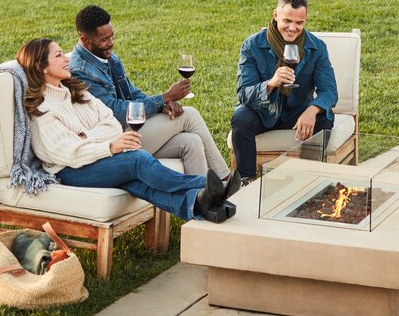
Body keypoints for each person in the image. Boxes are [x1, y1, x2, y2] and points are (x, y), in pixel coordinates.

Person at [17, 38, 239, 222]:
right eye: (58, 56)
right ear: (40, 67)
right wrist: (109, 146)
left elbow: (111, 123)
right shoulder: (41, 109)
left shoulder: (76, 91)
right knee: (137, 160)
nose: (67, 59)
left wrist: (85, 138)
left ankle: (201, 204)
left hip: (96, 158)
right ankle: (208, 186)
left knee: (138, 183)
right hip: (72, 171)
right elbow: (65, 153)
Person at [69, 5, 233, 180]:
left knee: (191, 142)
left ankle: (202, 201)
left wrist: (161, 105)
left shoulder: (107, 57)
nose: (111, 43)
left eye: (112, 36)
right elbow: (115, 112)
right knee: (189, 115)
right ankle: (225, 181)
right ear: (85, 40)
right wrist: (165, 97)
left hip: (132, 129)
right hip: (115, 140)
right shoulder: (81, 71)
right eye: (104, 39)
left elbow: (133, 93)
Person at [231, 0, 338, 181]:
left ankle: (308, 179)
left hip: (296, 112)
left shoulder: (317, 47)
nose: (292, 28)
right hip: (262, 112)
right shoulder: (252, 45)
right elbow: (244, 94)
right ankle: (246, 180)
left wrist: (312, 110)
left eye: (299, 23)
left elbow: (329, 90)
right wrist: (270, 84)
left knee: (324, 119)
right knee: (241, 118)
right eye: (287, 21)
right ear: (275, 15)